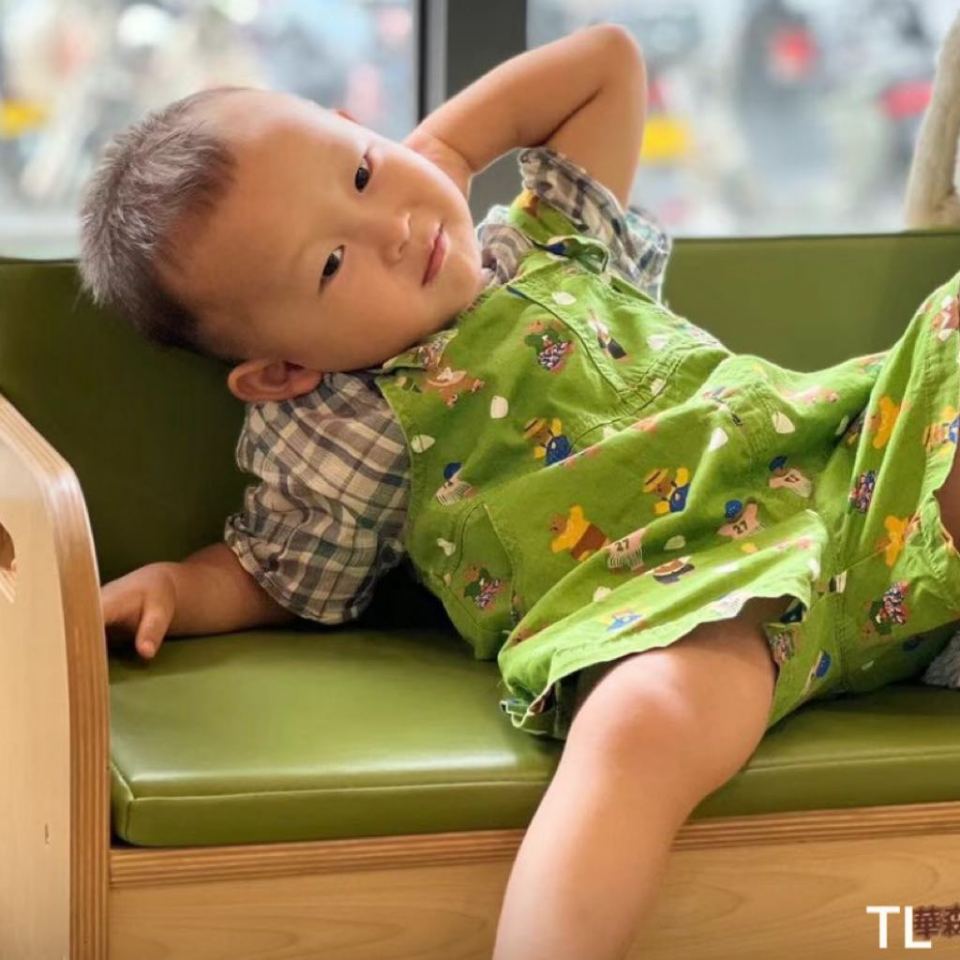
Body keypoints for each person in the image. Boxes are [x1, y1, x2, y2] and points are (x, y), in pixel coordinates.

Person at [76, 22, 960, 960]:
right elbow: (276, 572)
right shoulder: (340, 423)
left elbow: (606, 63)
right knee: (637, 729)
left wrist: (442, 152)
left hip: (851, 477)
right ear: (282, 370)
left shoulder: (551, 239)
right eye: (331, 263)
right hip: (671, 608)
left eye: (361, 172)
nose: (392, 228)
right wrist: (175, 586)